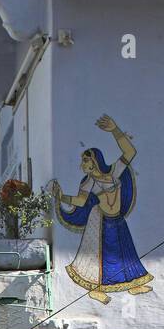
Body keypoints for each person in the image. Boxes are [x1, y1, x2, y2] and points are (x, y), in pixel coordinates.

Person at [51, 114, 154, 304]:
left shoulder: (114, 172)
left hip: (117, 218)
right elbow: (80, 201)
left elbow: (130, 152)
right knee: (101, 258)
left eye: (85, 160)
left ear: (95, 160)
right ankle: (96, 289)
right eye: (83, 161)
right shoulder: (88, 183)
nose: (82, 164)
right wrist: (61, 197)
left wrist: (115, 130)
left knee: (126, 252)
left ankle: (133, 284)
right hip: (101, 221)